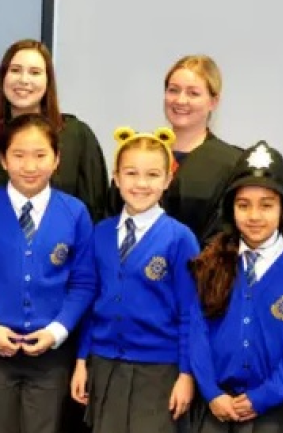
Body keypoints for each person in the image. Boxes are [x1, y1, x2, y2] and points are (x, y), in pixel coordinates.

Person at [0, 113, 97, 433]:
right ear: (3, 160)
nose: (30, 166)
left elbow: (83, 282)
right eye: (19, 155)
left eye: (40, 155)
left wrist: (56, 331)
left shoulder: (75, 212)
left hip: (51, 353)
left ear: (57, 159)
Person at [71, 127, 197, 433]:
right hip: (104, 363)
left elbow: (190, 313)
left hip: (159, 368)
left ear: (168, 179)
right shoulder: (100, 232)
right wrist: (81, 360)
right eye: (131, 173)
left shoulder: (179, 238)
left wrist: (186, 374)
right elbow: (89, 302)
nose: (141, 184)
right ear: (116, 177)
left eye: (152, 175)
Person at [0, 39, 108, 222]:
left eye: (35, 72)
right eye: (15, 70)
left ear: (48, 80)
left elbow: (97, 212)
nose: (24, 80)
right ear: (3, 77)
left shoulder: (78, 137)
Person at [189, 141, 283, 432]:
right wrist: (211, 392)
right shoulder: (211, 262)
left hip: (274, 410)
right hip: (216, 408)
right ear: (230, 209)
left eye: (266, 205)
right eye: (243, 205)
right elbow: (196, 331)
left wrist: (265, 395)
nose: (254, 216)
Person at [110, 55, 242, 246]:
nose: (181, 100)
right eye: (173, 90)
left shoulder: (230, 163)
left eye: (193, 93)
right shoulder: (138, 151)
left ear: (214, 101)